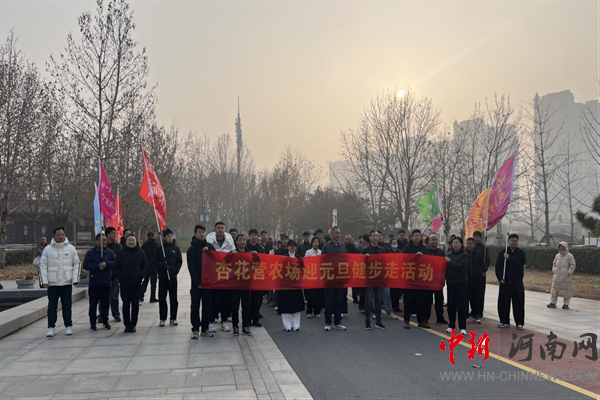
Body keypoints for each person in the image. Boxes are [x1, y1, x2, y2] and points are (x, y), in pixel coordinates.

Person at [40, 227, 80, 337]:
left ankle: (68, 326)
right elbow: (42, 265)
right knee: (52, 306)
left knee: (67, 305)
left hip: (66, 282)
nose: (61, 236)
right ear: (54, 236)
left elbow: (76, 264)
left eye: (62, 234)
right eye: (58, 235)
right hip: (52, 283)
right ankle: (51, 327)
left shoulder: (71, 248)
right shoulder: (48, 249)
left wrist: (75, 279)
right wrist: (44, 281)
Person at [114, 234, 147, 333]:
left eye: (133, 240)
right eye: (129, 240)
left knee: (135, 305)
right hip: (124, 283)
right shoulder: (121, 253)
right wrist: (120, 277)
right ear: (126, 241)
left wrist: (141, 275)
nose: (131, 242)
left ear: (136, 241)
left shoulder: (141, 252)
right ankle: (127, 324)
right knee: (126, 305)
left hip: (137, 283)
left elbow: (145, 265)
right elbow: (116, 267)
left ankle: (133, 324)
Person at [187, 224, 216, 339]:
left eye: (203, 232)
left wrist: (209, 252)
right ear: (195, 234)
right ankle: (195, 329)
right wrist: (197, 282)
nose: (202, 234)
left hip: (208, 283)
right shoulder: (191, 249)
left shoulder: (210, 247)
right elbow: (191, 267)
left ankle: (205, 329)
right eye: (199, 232)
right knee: (195, 306)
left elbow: (216, 261)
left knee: (207, 306)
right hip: (197, 284)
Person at [83, 233, 116, 331]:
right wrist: (97, 266)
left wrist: (107, 264)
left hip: (106, 283)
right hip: (95, 283)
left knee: (105, 304)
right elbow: (86, 265)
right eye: (102, 240)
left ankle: (105, 321)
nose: (104, 242)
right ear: (97, 241)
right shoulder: (91, 253)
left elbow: (115, 263)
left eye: (105, 240)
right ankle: (93, 323)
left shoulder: (110, 253)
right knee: (93, 305)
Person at [207, 222, 235, 332]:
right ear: (215, 229)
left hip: (226, 274)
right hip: (214, 274)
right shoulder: (209, 238)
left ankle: (224, 321)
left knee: (225, 300)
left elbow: (233, 251)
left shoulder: (229, 238)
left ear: (224, 229)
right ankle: (211, 321)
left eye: (222, 228)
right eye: (218, 228)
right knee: (214, 299)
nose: (220, 230)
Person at [495, 233, 526, 329]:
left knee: (518, 303)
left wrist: (509, 258)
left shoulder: (521, 253)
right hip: (505, 282)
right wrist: (500, 278)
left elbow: (521, 262)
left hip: (517, 282)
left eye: (516, 241)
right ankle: (504, 321)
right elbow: (498, 267)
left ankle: (519, 323)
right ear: (508, 241)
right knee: (503, 303)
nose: (514, 242)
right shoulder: (503, 252)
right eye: (512, 240)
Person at [402, 229, 429, 329]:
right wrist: (415, 257)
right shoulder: (407, 248)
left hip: (420, 277)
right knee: (408, 300)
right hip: (410, 277)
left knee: (421, 300)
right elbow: (404, 260)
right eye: (415, 236)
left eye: (419, 236)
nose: (417, 237)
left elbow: (428, 261)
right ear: (412, 237)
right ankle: (406, 321)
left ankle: (421, 321)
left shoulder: (424, 248)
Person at [155, 228, 182, 327]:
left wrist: (175, 270)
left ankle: (173, 318)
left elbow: (179, 261)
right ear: (164, 238)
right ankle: (162, 318)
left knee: (173, 299)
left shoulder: (176, 248)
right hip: (163, 277)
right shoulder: (159, 249)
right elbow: (155, 261)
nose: (170, 238)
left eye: (171, 236)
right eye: (168, 236)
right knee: (162, 298)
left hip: (173, 277)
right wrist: (163, 265)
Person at [321, 226, 347, 331]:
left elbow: (346, 260)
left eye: (339, 233)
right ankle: (328, 322)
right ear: (331, 235)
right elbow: (322, 262)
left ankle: (337, 322)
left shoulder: (342, 246)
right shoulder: (326, 247)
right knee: (328, 301)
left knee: (338, 301)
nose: (338, 235)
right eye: (336, 233)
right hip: (329, 278)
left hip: (339, 278)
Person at [361, 231, 387, 330]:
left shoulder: (382, 250)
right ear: (370, 237)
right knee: (368, 301)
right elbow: (359, 263)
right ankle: (367, 322)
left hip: (379, 278)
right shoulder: (365, 250)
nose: (376, 237)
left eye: (377, 236)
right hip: (369, 279)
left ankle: (378, 322)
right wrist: (365, 259)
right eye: (374, 236)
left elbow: (386, 262)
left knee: (378, 301)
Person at [278, 240, 304, 331]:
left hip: (296, 284)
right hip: (286, 284)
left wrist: (301, 262)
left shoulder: (299, 257)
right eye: (291, 246)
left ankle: (296, 325)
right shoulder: (284, 257)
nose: (292, 247)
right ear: (288, 247)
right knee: (286, 304)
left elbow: (303, 269)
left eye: (294, 246)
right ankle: (287, 325)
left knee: (296, 305)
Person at [445, 237, 469, 335]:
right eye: (453, 242)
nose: (455, 244)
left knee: (461, 306)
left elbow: (461, 266)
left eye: (457, 242)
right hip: (451, 282)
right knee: (451, 305)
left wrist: (449, 261)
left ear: (461, 244)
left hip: (461, 282)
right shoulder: (449, 254)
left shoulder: (464, 254)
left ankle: (462, 327)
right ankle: (451, 325)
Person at [230, 234, 252, 336]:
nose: (242, 242)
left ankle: (245, 326)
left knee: (246, 307)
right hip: (235, 285)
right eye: (240, 240)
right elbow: (224, 263)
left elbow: (257, 265)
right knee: (234, 307)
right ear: (236, 242)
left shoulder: (249, 253)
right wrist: (230, 255)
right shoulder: (232, 253)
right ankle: (235, 326)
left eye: (244, 240)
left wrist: (255, 256)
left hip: (246, 285)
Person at [246, 229, 266, 327]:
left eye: (255, 235)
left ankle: (256, 318)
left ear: (258, 236)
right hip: (247, 276)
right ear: (249, 236)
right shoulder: (245, 247)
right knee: (248, 299)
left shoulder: (261, 248)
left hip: (258, 276)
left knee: (257, 299)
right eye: (252, 235)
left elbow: (264, 260)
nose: (254, 236)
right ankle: (248, 318)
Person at [425, 234, 447, 324]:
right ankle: (425, 318)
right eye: (432, 240)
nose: (434, 241)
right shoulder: (425, 252)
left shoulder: (441, 252)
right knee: (427, 300)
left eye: (435, 240)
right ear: (429, 241)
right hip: (428, 279)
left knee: (439, 300)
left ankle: (440, 317)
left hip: (438, 280)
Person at [548, 242, 576, 310]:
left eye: (562, 247)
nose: (561, 248)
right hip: (557, 276)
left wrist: (569, 272)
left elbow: (573, 265)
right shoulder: (557, 256)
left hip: (566, 277)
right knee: (554, 290)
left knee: (566, 291)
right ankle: (552, 303)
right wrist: (554, 270)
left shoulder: (570, 256)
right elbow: (554, 263)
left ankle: (566, 304)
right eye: (560, 247)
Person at [104, 227, 122, 322]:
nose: (114, 235)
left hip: (114, 274)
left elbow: (119, 260)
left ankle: (116, 314)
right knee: (103, 296)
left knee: (114, 296)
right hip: (103, 274)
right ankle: (102, 314)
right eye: (112, 233)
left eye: (115, 233)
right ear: (107, 234)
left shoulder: (118, 246)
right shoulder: (103, 246)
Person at [466, 237, 485, 323]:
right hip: (465, 279)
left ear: (474, 245)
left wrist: (479, 272)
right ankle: (465, 316)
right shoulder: (464, 253)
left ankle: (475, 315)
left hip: (475, 279)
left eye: (471, 244)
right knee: (465, 298)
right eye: (468, 244)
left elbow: (482, 265)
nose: (469, 245)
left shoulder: (478, 253)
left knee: (474, 298)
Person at [304, 237, 323, 319]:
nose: (316, 243)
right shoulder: (308, 252)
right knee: (310, 295)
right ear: (312, 243)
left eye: (317, 242)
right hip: (310, 276)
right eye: (314, 242)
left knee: (318, 295)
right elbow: (305, 263)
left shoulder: (321, 252)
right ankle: (309, 311)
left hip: (318, 277)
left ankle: (317, 312)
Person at [473, 231, 490, 318]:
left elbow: (487, 261)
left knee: (480, 293)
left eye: (477, 237)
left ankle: (480, 311)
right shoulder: (471, 248)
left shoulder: (484, 248)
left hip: (481, 274)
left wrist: (484, 270)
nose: (476, 238)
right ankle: (473, 310)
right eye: (474, 237)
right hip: (472, 274)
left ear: (480, 238)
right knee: (473, 293)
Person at [141, 232, 159, 303]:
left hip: (146, 266)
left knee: (145, 281)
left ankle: (141, 295)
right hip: (154, 266)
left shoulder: (144, 245)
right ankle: (152, 297)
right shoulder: (157, 245)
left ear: (147, 237)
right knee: (153, 283)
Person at [388, 238, 403, 314]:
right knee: (391, 292)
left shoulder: (399, 251)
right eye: (393, 243)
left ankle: (396, 306)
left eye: (395, 243)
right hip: (390, 273)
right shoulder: (388, 251)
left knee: (397, 292)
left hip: (397, 273)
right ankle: (391, 306)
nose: (394, 244)